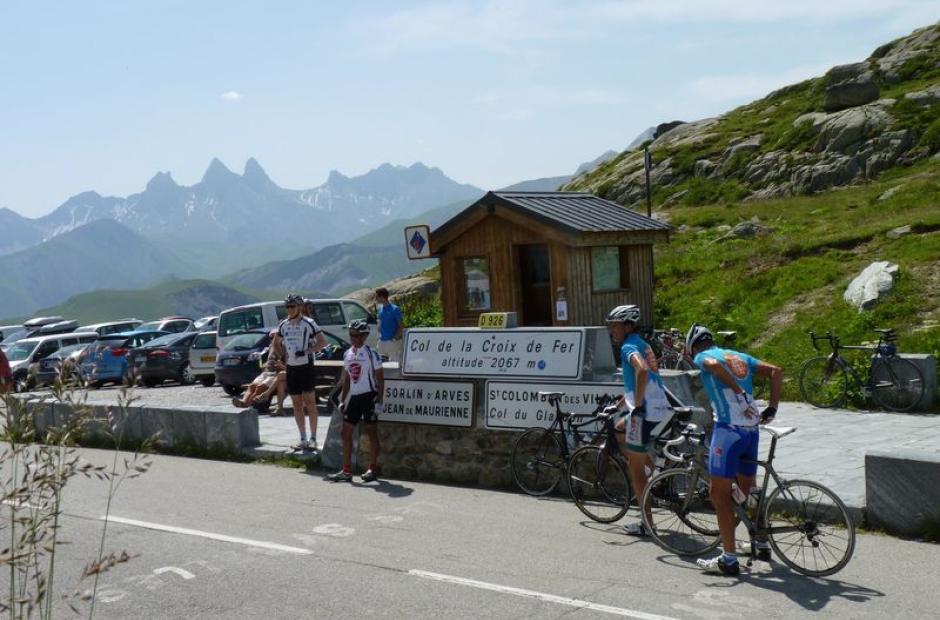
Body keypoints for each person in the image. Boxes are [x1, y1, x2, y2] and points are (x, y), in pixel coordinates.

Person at [685, 323, 782, 576]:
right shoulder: (739, 356)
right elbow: (776, 371)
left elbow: (715, 368)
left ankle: (728, 559)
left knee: (719, 497)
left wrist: (738, 393)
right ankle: (760, 542)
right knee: (746, 489)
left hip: (728, 431)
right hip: (751, 431)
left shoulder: (702, 356)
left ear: (693, 346)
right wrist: (772, 406)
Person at [604, 304, 672, 536]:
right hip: (658, 408)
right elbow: (641, 380)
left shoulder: (628, 346)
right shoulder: (643, 344)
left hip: (645, 413)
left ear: (627, 325)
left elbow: (641, 371)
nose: (612, 330)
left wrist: (638, 405)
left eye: (614, 326)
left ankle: (647, 524)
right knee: (618, 427)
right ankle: (654, 468)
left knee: (636, 473)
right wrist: (623, 403)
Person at [328, 319, 384, 483]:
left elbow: (380, 379)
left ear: (364, 336)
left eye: (357, 335)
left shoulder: (371, 353)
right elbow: (346, 379)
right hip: (355, 397)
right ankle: (346, 471)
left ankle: (372, 469)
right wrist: (343, 399)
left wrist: (379, 400)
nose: (354, 338)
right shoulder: (348, 354)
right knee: (345, 433)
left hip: (369, 396)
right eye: (351, 335)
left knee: (371, 433)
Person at [272, 293, 328, 451]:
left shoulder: (309, 323)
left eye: (292, 306)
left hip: (306, 367)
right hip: (291, 368)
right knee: (296, 404)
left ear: (299, 307)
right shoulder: (284, 324)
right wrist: (281, 354)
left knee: (310, 403)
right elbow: (275, 342)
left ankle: (314, 438)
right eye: (287, 306)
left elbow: (323, 342)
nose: (289, 309)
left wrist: (307, 351)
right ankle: (302, 438)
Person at [375, 287, 404, 364]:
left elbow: (401, 326)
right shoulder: (380, 309)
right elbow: (380, 323)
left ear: (382, 297)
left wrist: (394, 339)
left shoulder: (395, 309)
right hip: (382, 341)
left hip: (392, 342)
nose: (376, 299)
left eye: (377, 297)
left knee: (395, 364)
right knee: (380, 363)